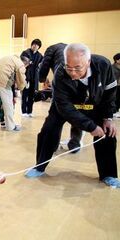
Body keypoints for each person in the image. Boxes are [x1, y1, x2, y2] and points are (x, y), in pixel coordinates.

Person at [25, 43, 120, 188]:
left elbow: (110, 94)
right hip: (65, 105)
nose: (73, 72)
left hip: (95, 103)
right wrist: (90, 126)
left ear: (88, 62)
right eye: (69, 67)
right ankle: (40, 166)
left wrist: (107, 118)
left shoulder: (103, 65)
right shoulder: (60, 73)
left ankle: (109, 174)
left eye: (78, 68)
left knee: (107, 134)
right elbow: (65, 108)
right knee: (48, 130)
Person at [38, 42, 84, 152]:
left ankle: (52, 145)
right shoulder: (72, 49)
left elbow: (44, 65)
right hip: (79, 81)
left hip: (61, 80)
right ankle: (75, 143)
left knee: (56, 115)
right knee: (77, 112)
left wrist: (42, 78)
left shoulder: (51, 49)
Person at [0, 55, 30, 131]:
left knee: (1, 105)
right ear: (25, 63)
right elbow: (22, 79)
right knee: (8, 105)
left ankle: (4, 123)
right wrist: (24, 86)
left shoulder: (11, 58)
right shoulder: (20, 64)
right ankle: (11, 127)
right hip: (2, 82)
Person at [21, 38, 43, 117]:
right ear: (31, 45)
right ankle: (23, 112)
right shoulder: (25, 52)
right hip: (26, 76)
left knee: (31, 95)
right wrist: (28, 63)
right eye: (34, 44)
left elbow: (42, 65)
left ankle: (29, 111)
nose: (35, 46)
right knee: (25, 94)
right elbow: (22, 63)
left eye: (37, 45)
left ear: (39, 47)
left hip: (34, 77)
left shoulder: (40, 56)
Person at [112, 53, 120, 118]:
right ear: (117, 60)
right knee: (115, 99)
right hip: (114, 86)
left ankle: (117, 111)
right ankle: (114, 111)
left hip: (119, 85)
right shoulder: (112, 68)